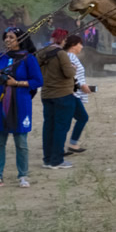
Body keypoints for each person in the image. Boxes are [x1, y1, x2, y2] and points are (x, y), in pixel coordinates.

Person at [0, 26, 42, 188]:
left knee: (21, 142)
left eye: (11, 37)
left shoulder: (28, 58)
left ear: (20, 40)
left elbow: (38, 81)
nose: (7, 40)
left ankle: (23, 176)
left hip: (19, 103)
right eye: (6, 37)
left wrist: (16, 83)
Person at [39, 32, 79, 169]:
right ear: (62, 39)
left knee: (48, 127)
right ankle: (57, 160)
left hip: (46, 94)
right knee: (61, 128)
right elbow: (68, 73)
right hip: (62, 94)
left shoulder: (42, 52)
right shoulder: (61, 54)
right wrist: (73, 68)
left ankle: (47, 159)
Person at [65, 35, 93, 154]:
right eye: (80, 44)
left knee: (69, 119)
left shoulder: (71, 56)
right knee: (82, 117)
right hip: (73, 93)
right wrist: (82, 85)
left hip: (75, 92)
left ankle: (70, 143)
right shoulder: (70, 56)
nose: (81, 46)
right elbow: (73, 74)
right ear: (73, 45)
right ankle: (72, 143)